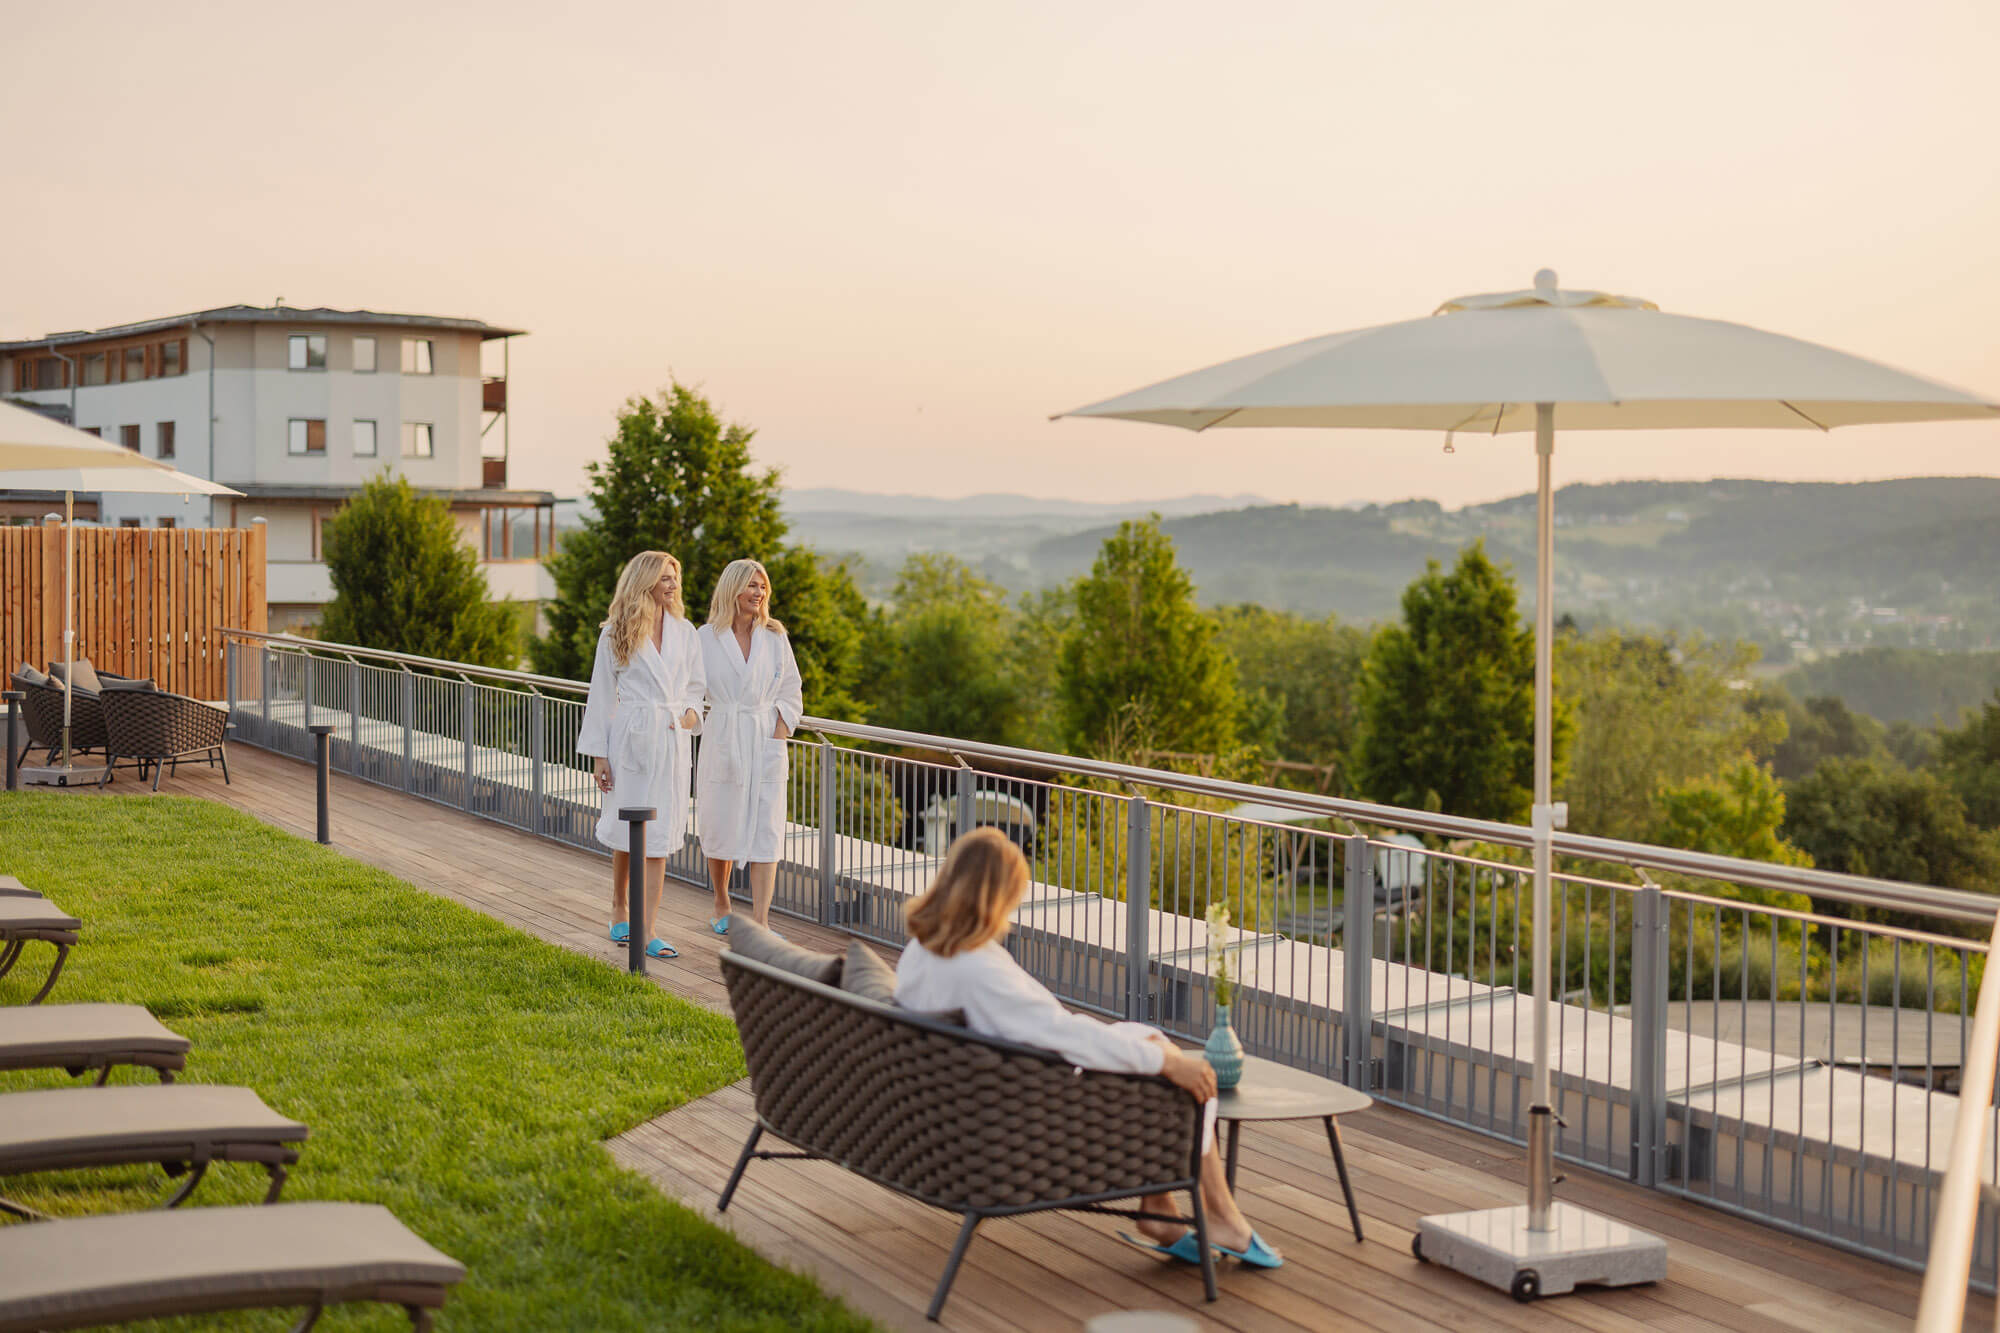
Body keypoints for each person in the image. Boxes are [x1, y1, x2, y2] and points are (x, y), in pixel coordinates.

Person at [895, 829, 1282, 1269]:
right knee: (1178, 1076)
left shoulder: (921, 955)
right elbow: (1064, 1036)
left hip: (960, 1115)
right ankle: (1222, 1217)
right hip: (1026, 1122)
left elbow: (1047, 1031)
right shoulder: (980, 972)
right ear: (995, 896)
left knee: (1150, 1044)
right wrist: (1168, 1061)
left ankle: (1164, 1213)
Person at [576, 551, 705, 960]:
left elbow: (696, 687)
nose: (673, 585)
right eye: (665, 577)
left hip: (670, 739)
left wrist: (688, 715)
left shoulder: (686, 632)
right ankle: (619, 905)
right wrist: (599, 756)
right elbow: (600, 695)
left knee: (660, 835)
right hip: (630, 739)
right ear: (645, 581)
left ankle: (646, 929)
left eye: (675, 577)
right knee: (627, 829)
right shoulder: (615, 631)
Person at [695, 558, 804, 936]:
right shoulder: (706, 637)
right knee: (719, 822)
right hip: (723, 734)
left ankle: (760, 921)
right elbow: (691, 689)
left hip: (764, 739)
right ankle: (722, 901)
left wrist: (778, 735)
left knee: (767, 830)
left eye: (763, 587)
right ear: (733, 589)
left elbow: (792, 690)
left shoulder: (775, 636)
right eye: (752, 586)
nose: (758, 593)